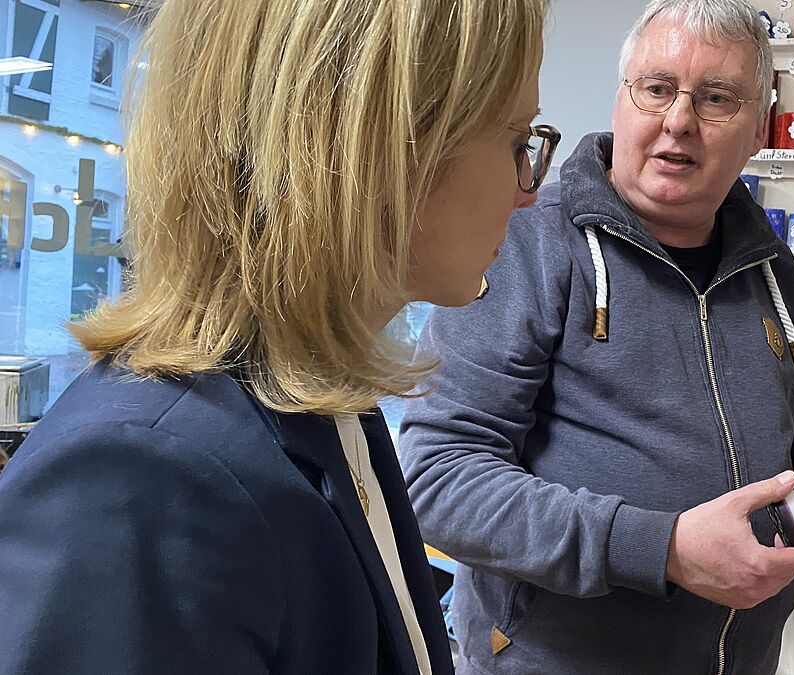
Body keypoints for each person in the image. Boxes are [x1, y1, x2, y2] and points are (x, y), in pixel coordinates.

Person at [0, 0, 555, 672]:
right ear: (384, 149)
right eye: (517, 140)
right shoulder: (144, 482)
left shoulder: (326, 406)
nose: (528, 192)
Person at [397, 0, 794, 673]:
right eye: (657, 89)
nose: (679, 120)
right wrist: (663, 546)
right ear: (621, 101)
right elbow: (438, 479)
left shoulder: (770, 267)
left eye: (716, 98)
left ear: (758, 130)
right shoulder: (526, 239)